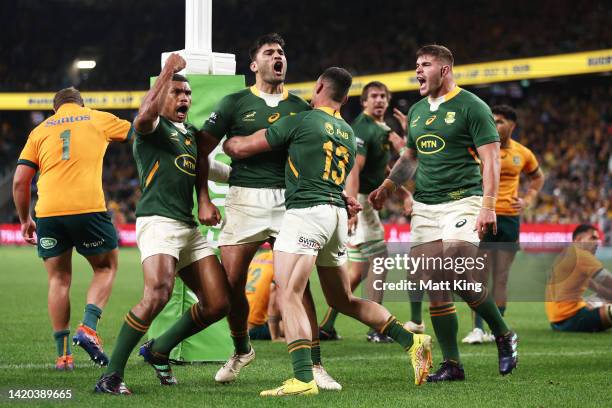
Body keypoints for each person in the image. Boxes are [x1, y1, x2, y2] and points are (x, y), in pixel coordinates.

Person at [224, 67, 433, 397]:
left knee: (289, 292)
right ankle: (412, 340)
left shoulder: (302, 119)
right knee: (342, 299)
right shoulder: (347, 131)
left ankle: (303, 378)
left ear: (319, 86)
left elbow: (243, 147)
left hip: (306, 213)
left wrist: (229, 141)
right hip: (337, 216)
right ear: (346, 98)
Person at [198, 33, 341, 390]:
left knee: (296, 284)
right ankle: (241, 349)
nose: (278, 56)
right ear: (254, 64)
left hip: (290, 202)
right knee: (231, 284)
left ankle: (316, 364)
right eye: (269, 52)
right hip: (243, 200)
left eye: (282, 51)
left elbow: (319, 154)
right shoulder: (233, 103)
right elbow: (200, 150)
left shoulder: (301, 108)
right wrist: (203, 198)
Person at [369, 45, 518, 382]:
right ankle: (452, 364)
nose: (418, 71)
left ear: (445, 70)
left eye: (425, 65)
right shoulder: (419, 110)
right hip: (425, 207)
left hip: (463, 201)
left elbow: (492, 158)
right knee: (435, 282)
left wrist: (489, 205)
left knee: (455, 270)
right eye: (416, 65)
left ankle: (503, 334)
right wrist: (388, 186)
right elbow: (410, 157)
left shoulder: (472, 107)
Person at [95, 53, 231, 395]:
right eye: (176, 92)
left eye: (187, 94)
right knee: (157, 293)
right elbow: (143, 116)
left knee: (217, 303)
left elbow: (214, 169)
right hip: (158, 222)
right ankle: (110, 376)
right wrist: (168, 70)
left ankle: (158, 349)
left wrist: (263, 178)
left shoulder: (190, 136)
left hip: (187, 229)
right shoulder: (153, 129)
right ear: (162, 96)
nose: (184, 98)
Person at [13, 87, 131, 370]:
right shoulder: (95, 117)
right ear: (81, 103)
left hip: (49, 213)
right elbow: (140, 131)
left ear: (55, 109)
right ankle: (88, 327)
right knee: (105, 268)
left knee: (59, 280)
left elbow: (19, 181)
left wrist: (25, 219)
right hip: (87, 207)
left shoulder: (39, 131)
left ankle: (63, 356)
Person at [319, 81, 409, 343]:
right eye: (374, 96)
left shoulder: (381, 128)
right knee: (380, 258)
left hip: (365, 200)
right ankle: (378, 327)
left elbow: (381, 170)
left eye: (383, 96)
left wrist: (404, 194)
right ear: (364, 102)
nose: (379, 100)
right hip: (361, 201)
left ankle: (326, 326)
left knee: (357, 271)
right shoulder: (362, 127)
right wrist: (353, 206)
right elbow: (354, 169)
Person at [463, 104, 545, 344]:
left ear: (512, 125)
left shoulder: (523, 153)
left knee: (501, 277)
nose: (495, 125)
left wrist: (528, 199)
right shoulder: (481, 148)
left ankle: (496, 331)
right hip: (484, 215)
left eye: (499, 121)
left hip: (509, 219)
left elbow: (538, 177)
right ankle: (477, 329)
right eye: (493, 121)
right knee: (478, 275)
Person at [546, 224, 612, 332]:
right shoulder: (581, 255)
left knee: (603, 298)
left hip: (557, 321)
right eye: (593, 238)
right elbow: (607, 280)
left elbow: (597, 287)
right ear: (579, 239)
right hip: (571, 318)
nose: (597, 243)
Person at [245, 248, 284, 341]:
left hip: (235, 324)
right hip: (252, 328)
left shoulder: (258, 257)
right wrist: (275, 336)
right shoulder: (281, 262)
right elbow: (274, 299)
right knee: (299, 329)